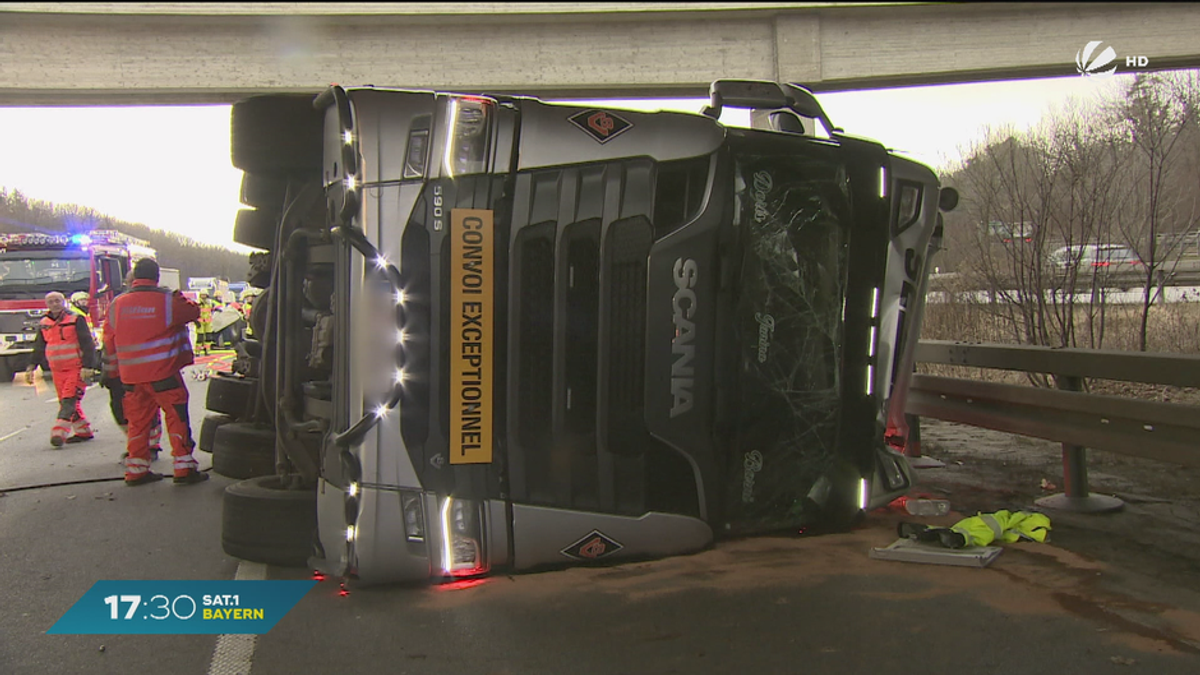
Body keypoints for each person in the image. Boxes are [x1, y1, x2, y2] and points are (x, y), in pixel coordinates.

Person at [102, 258, 208, 486]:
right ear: (157, 276)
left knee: (138, 423)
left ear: (132, 278)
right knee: (176, 417)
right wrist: (176, 294)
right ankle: (184, 468)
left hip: (131, 377)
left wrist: (111, 375)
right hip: (164, 374)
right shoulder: (168, 301)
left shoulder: (116, 305)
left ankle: (136, 470)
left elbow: (109, 342)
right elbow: (193, 312)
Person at [101, 269, 164, 462]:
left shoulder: (159, 300)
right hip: (126, 369)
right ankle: (138, 445)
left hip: (149, 368)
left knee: (147, 409)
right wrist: (109, 372)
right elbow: (109, 339)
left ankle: (149, 446)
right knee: (122, 410)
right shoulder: (118, 304)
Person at [25, 291, 99, 446]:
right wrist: (32, 366)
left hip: (76, 368)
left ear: (64, 302)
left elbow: (87, 343)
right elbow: (39, 346)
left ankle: (59, 432)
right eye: (51, 302)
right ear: (47, 305)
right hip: (57, 370)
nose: (55, 304)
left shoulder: (76, 319)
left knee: (69, 400)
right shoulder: (44, 322)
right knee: (65, 401)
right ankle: (83, 432)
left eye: (57, 301)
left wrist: (87, 366)